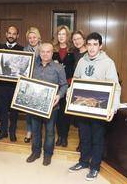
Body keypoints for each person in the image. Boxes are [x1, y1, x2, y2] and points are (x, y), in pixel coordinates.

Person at [68, 32, 121, 181]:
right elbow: (75, 81)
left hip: (99, 109)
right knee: (84, 136)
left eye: (95, 44)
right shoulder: (81, 61)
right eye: (89, 44)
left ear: (100, 46)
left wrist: (113, 108)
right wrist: (70, 96)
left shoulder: (108, 63)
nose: (91, 48)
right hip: (82, 107)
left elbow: (115, 87)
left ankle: (94, 167)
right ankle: (83, 162)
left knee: (97, 138)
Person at [26, 43, 67, 166]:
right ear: (39, 52)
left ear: (52, 53)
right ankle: (35, 152)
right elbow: (26, 82)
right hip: (34, 106)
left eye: (48, 51)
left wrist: (59, 96)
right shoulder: (33, 66)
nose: (45, 54)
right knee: (35, 130)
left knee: (49, 131)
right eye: (42, 51)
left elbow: (64, 85)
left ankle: (48, 154)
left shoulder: (58, 68)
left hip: (52, 107)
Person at [0, 26, 23, 142]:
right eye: (9, 33)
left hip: (15, 86)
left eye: (14, 34)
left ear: (17, 36)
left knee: (14, 111)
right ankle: (3, 132)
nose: (11, 35)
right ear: (6, 34)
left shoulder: (22, 49)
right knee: (2, 110)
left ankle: (12, 132)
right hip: (1, 85)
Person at [52, 25, 75, 147]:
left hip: (68, 85)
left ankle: (64, 137)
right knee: (56, 112)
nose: (61, 36)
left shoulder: (72, 51)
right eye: (59, 34)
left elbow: (75, 70)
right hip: (56, 86)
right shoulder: (53, 50)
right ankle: (59, 136)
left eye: (64, 34)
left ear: (67, 36)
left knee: (65, 113)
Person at [23, 27, 42, 143]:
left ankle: (38, 132)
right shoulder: (25, 49)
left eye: (34, 37)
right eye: (30, 37)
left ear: (38, 37)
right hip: (29, 83)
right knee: (28, 109)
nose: (32, 39)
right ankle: (29, 131)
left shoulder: (43, 48)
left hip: (41, 82)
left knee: (39, 108)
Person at [71, 30, 88, 152]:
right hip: (76, 88)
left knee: (86, 119)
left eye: (79, 38)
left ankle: (84, 144)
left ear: (84, 39)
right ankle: (82, 142)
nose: (77, 41)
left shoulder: (90, 53)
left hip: (88, 89)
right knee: (80, 120)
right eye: (74, 39)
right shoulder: (74, 53)